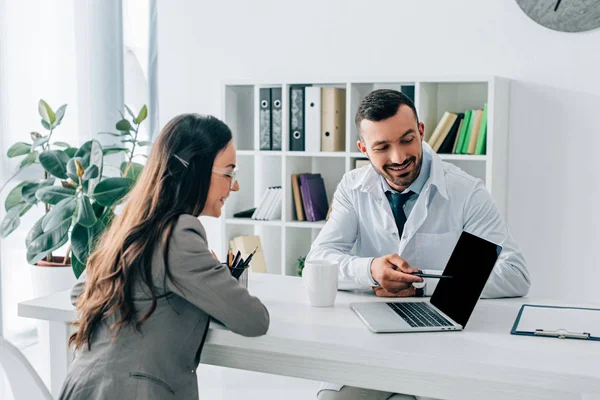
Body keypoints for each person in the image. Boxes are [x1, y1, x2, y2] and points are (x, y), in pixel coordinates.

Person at [307, 89, 530, 400]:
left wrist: (421, 282)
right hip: (371, 346)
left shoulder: (466, 191)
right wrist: (371, 269)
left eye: (407, 140)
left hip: (447, 349)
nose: (398, 157)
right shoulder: (352, 187)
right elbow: (320, 258)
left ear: (422, 132)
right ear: (363, 148)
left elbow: (515, 273)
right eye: (382, 147)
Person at [60, 114, 269, 400]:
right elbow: (254, 320)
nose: (235, 186)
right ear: (195, 171)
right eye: (228, 173)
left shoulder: (133, 222)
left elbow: (80, 292)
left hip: (83, 386)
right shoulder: (180, 234)